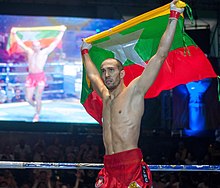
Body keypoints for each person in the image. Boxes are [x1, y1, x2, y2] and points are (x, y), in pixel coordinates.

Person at [81, 1, 184, 187]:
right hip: (108, 167)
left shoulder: (135, 91)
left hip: (131, 166)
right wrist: (85, 51)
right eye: (104, 71)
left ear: (121, 74)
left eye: (111, 70)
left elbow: (160, 55)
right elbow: (92, 75)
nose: (106, 75)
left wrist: (174, 16)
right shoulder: (105, 96)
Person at [12, 25, 66, 122]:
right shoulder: (29, 52)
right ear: (32, 46)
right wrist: (14, 33)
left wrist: (61, 32)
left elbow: (55, 43)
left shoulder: (44, 52)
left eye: (37, 45)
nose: (35, 47)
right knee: (28, 98)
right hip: (30, 77)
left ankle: (37, 114)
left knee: (38, 97)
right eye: (34, 45)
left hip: (40, 77)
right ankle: (37, 107)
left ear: (40, 46)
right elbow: (20, 43)